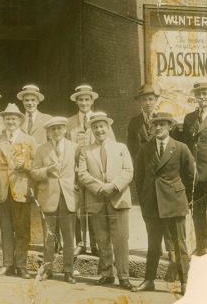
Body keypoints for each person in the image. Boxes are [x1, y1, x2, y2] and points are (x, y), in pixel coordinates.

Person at [134, 110, 195, 294]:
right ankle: (149, 280)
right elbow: (139, 177)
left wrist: (185, 199)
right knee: (153, 245)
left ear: (170, 126)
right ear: (151, 127)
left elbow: (190, 176)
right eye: (155, 124)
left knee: (179, 244)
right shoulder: (145, 149)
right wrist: (144, 201)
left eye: (163, 124)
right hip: (152, 204)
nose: (158, 127)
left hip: (174, 203)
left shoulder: (181, 148)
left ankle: (185, 282)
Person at [77, 110, 133, 290]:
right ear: (92, 130)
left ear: (108, 127)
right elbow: (82, 174)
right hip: (96, 199)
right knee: (102, 239)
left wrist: (114, 186)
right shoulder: (86, 151)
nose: (99, 130)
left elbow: (128, 171)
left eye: (102, 126)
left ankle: (124, 276)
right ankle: (106, 273)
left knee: (121, 239)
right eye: (95, 127)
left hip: (118, 198)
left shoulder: (121, 148)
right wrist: (99, 187)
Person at [0, 102, 34, 278]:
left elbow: (36, 166)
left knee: (22, 230)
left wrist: (27, 165)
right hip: (2, 191)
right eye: (7, 118)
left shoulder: (29, 140)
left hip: (21, 191)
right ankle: (7, 264)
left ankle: (21, 266)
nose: (10, 121)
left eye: (14, 118)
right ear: (3, 120)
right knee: (6, 229)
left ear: (20, 120)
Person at [31, 115, 77, 283]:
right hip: (49, 196)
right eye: (53, 129)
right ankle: (48, 270)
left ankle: (68, 271)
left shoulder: (74, 148)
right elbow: (34, 172)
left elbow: (79, 172)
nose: (56, 132)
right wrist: (47, 170)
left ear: (65, 130)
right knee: (49, 237)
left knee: (68, 236)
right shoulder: (41, 149)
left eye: (59, 128)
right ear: (48, 132)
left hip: (68, 196)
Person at [180, 79, 207, 255]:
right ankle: (201, 246)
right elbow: (187, 144)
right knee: (198, 212)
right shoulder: (189, 118)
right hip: (195, 174)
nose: (201, 97)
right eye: (198, 94)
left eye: (205, 93)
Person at [67, 84, 100, 257]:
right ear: (76, 101)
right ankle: (80, 243)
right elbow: (66, 147)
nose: (84, 103)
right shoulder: (70, 122)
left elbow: (111, 144)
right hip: (76, 170)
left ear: (92, 101)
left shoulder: (100, 120)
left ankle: (96, 243)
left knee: (94, 207)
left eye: (87, 99)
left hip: (95, 171)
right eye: (81, 99)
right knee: (78, 208)